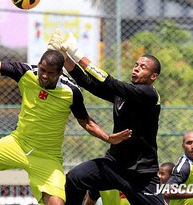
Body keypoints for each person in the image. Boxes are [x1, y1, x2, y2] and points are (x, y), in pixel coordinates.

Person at [0, 34, 132, 205]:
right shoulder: (27, 73)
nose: (43, 76)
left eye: (50, 73)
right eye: (42, 70)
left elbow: (85, 121)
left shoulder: (71, 91)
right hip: (16, 143)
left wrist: (107, 137)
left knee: (57, 203)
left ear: (60, 73)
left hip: (47, 157)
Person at [47, 29, 164, 204]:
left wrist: (77, 54)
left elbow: (109, 82)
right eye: (136, 65)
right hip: (114, 164)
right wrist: (64, 57)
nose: (136, 69)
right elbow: (89, 83)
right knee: (74, 178)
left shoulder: (149, 94)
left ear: (153, 76)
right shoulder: (124, 93)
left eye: (143, 67)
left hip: (141, 175)